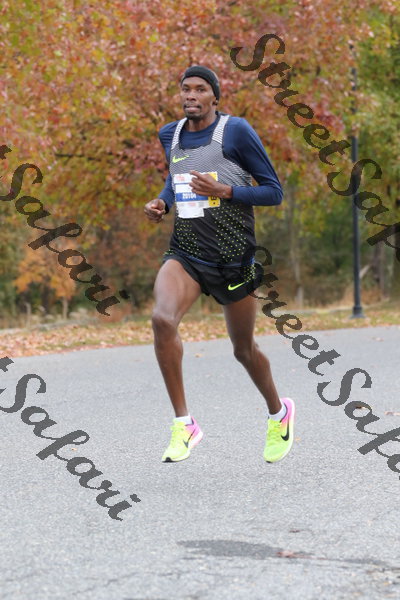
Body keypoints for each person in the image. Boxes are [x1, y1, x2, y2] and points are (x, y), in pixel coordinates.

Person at [144, 65, 295, 464]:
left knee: (243, 350)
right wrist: (162, 202)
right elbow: (175, 179)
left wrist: (226, 190)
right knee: (162, 320)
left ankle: (278, 413)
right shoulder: (169, 134)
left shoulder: (236, 131)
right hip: (186, 252)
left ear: (215, 96)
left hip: (232, 256)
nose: (190, 95)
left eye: (199, 89)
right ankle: (184, 424)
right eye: (185, 89)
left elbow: (273, 192)